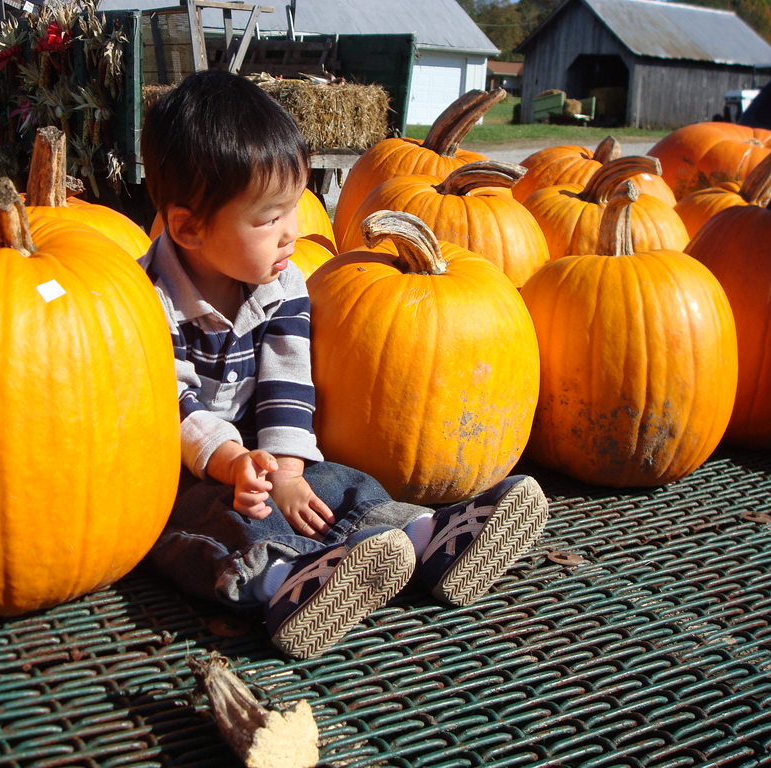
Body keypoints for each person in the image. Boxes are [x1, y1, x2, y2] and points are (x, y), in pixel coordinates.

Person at [138, 70, 550, 660]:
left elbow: (288, 378)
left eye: (297, 209)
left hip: (260, 450)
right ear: (188, 228)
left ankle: (429, 537)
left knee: (337, 482)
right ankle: (284, 584)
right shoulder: (146, 299)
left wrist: (285, 469)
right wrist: (230, 463)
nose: (294, 232)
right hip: (183, 469)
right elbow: (169, 400)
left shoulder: (282, 283)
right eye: (269, 218)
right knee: (205, 527)